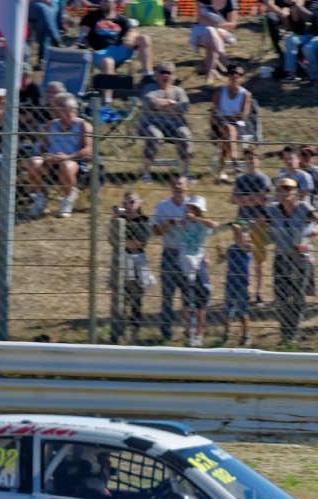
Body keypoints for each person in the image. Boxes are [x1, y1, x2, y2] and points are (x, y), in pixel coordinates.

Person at [265, 176, 318, 342]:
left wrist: (316, 229)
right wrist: (247, 229)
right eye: (281, 189)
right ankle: (285, 331)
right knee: (281, 296)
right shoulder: (272, 210)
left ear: (295, 192)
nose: (285, 193)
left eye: (289, 189)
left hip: (303, 252)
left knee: (298, 294)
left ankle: (293, 332)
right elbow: (254, 222)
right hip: (282, 254)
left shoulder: (304, 208)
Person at [27, 94, 91, 218]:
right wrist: (46, 157)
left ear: (69, 110)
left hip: (73, 162)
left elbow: (88, 150)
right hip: (51, 162)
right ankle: (40, 198)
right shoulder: (51, 125)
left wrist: (67, 157)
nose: (53, 111)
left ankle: (67, 198)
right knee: (34, 162)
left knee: (66, 166)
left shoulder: (83, 126)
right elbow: (42, 147)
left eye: (56, 108)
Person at [151, 175, 192, 341]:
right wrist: (169, 223)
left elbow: (201, 231)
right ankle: (165, 332)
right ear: (170, 185)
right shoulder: (162, 206)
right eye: (174, 183)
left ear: (187, 186)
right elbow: (155, 232)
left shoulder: (193, 205)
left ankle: (190, 331)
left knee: (188, 295)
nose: (177, 186)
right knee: (167, 295)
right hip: (169, 252)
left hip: (188, 253)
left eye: (180, 184)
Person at [80, 0, 155, 89]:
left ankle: (148, 76)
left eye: (106, 1)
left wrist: (130, 38)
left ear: (114, 2)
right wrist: (90, 50)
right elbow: (83, 38)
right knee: (108, 61)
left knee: (144, 39)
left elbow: (133, 32)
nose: (102, 3)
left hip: (119, 50)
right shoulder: (91, 17)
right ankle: (108, 96)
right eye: (101, 1)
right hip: (100, 53)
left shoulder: (122, 19)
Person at [231, 146, 273, 305]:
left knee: (259, 259)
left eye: (253, 157)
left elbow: (263, 199)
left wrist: (244, 200)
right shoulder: (240, 179)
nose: (251, 160)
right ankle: (245, 291)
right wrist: (251, 199)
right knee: (242, 256)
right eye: (247, 158)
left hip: (259, 221)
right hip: (241, 220)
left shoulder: (264, 179)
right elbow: (234, 199)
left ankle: (259, 292)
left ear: (258, 159)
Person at [174, 195, 216, 346]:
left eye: (192, 208)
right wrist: (180, 222)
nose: (188, 210)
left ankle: (199, 332)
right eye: (188, 207)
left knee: (202, 297)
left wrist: (196, 219)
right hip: (185, 261)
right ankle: (189, 331)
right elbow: (170, 229)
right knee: (188, 298)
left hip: (198, 262)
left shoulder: (203, 225)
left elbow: (213, 225)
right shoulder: (182, 223)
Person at [139, 63, 193, 182]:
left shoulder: (179, 91)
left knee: (185, 134)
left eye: (169, 73)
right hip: (151, 123)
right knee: (155, 136)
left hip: (175, 125)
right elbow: (150, 102)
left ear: (173, 76)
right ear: (157, 75)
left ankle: (186, 173)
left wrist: (160, 105)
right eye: (163, 72)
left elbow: (183, 107)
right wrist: (170, 102)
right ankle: (145, 173)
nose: (166, 75)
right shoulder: (150, 87)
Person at [115, 190, 154, 342]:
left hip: (137, 260)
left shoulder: (144, 221)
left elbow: (140, 242)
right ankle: (120, 330)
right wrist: (115, 219)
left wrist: (122, 242)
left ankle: (134, 330)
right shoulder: (120, 220)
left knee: (136, 298)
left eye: (132, 202)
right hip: (122, 259)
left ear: (139, 203)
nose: (128, 205)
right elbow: (111, 238)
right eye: (125, 202)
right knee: (120, 297)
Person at [210, 64, 252, 182]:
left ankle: (223, 169)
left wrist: (225, 117)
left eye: (239, 74)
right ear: (228, 75)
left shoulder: (245, 95)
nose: (236, 76)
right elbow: (214, 114)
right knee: (228, 129)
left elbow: (243, 116)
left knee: (228, 132)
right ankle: (234, 160)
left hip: (239, 128)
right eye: (233, 72)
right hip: (219, 126)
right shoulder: (220, 92)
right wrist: (230, 118)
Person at [280, 0, 318, 84]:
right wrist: (290, 8)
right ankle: (291, 74)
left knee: (308, 48)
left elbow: (310, 16)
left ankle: (315, 76)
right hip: (312, 36)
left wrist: (298, 6)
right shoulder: (307, 3)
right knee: (290, 39)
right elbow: (296, 19)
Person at [218, 221, 253, 346]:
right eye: (242, 234)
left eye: (245, 235)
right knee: (228, 311)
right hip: (230, 282)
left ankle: (246, 335)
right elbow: (222, 259)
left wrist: (235, 226)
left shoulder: (248, 247)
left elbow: (240, 239)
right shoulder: (231, 247)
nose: (242, 236)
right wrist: (219, 252)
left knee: (243, 312)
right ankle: (226, 335)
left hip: (242, 283)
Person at [190, 0, 238, 84]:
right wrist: (215, 27)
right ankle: (225, 61)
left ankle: (209, 78)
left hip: (222, 32)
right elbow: (201, 20)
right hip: (201, 30)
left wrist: (217, 27)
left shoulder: (231, 2)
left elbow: (232, 24)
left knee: (211, 41)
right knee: (210, 31)